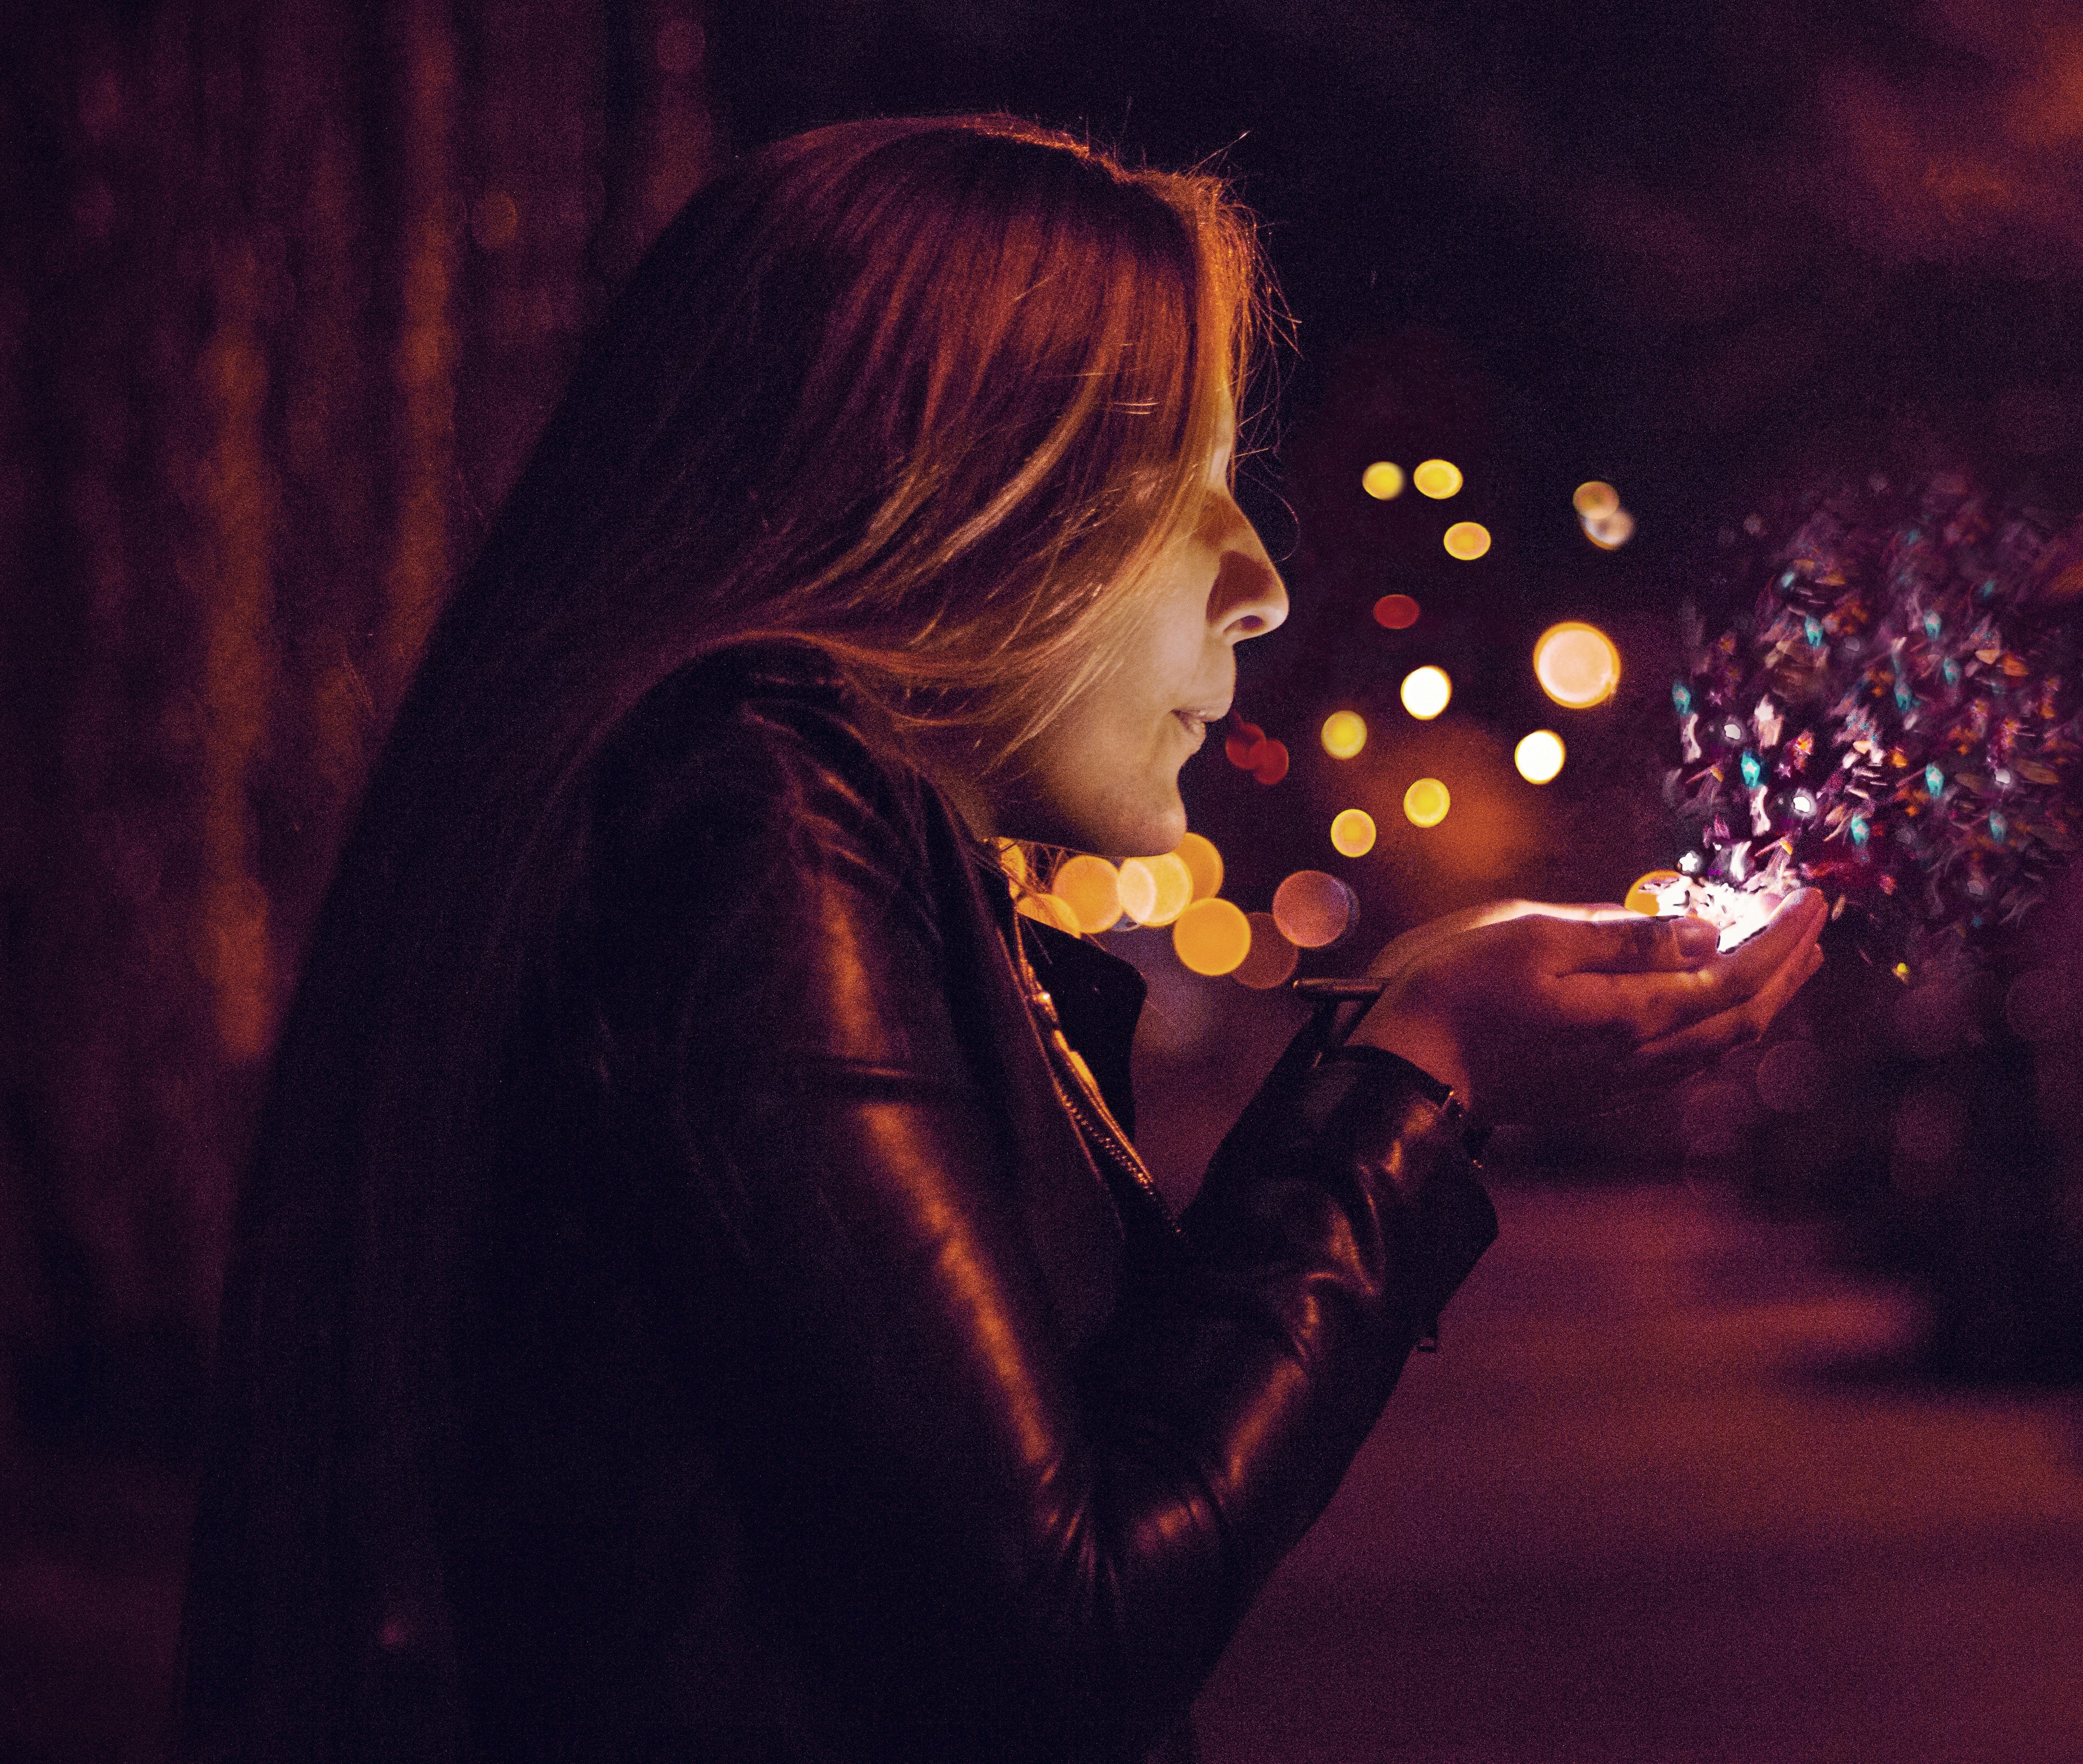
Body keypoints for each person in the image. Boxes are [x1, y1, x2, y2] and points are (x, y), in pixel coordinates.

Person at [174, 115, 1827, 1763]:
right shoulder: (751, 817)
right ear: (950, 491)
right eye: (1182, 486)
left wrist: (1398, 1039)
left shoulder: (788, 824)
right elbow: (1072, 1614)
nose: (1257, 580)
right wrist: (1418, 1075)